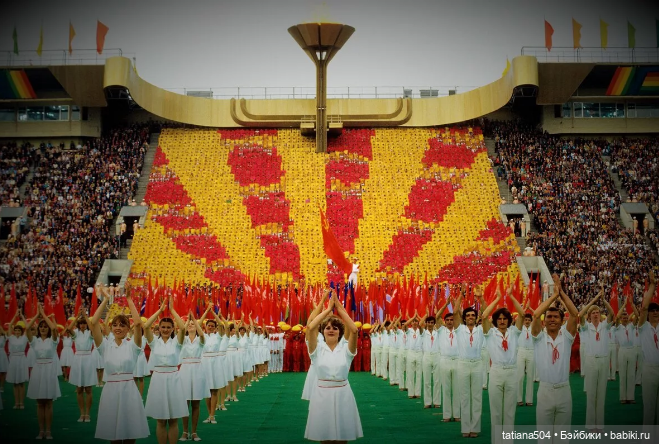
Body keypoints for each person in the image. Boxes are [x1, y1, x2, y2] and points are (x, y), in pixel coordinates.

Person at [91, 288, 149, 443]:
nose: (118, 328)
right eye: (115, 325)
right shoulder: (105, 346)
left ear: (127, 329)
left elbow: (138, 324)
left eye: (122, 325)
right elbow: (94, 322)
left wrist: (129, 299)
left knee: (130, 434)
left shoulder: (133, 346)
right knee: (113, 435)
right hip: (110, 391)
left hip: (129, 390)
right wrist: (105, 299)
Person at [304, 291, 363, 442]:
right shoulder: (316, 350)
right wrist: (328, 310)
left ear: (340, 332)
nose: (331, 330)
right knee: (325, 437)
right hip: (322, 394)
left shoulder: (346, 350)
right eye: (327, 328)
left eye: (335, 328)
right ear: (322, 331)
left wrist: (340, 309)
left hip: (343, 394)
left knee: (343, 437)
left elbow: (355, 330)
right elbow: (310, 328)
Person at [531, 274, 579, 442]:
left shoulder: (566, 336)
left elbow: (575, 314)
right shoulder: (538, 337)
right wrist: (553, 296)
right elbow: (536, 315)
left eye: (555, 317)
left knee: (562, 438)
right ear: (545, 322)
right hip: (545, 391)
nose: (552, 319)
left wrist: (561, 293)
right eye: (549, 317)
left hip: (564, 391)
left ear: (561, 321)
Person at [143, 296, 188, 444]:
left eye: (168, 327)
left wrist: (172, 310)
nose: (166, 329)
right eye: (163, 327)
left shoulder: (177, 342)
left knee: (174, 419)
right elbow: (146, 326)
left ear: (172, 329)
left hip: (174, 379)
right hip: (158, 379)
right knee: (161, 420)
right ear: (159, 328)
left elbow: (183, 328)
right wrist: (160, 310)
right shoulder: (154, 343)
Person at [483, 285, 524, 444]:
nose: (501, 321)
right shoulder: (490, 333)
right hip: (497, 372)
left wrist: (511, 297)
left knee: (509, 411)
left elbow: (522, 314)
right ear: (495, 321)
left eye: (504, 319)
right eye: (499, 319)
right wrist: (498, 299)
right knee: (496, 412)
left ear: (509, 320)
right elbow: (484, 316)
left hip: (512, 372)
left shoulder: (514, 332)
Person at [578, 287, 614, 432]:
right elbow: (580, 315)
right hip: (591, 361)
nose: (595, 314)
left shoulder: (605, 326)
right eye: (593, 312)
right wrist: (593, 301)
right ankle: (590, 424)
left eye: (597, 312)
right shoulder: (586, 327)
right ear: (589, 315)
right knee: (591, 394)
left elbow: (612, 313)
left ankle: (599, 424)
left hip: (604, 360)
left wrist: (603, 300)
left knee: (601, 393)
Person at [173, 305, 209, 442]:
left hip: (198, 370)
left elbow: (202, 335)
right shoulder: (182, 340)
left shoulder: (200, 341)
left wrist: (194, 319)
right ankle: (185, 431)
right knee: (185, 402)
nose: (191, 326)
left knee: (195, 404)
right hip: (185, 371)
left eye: (193, 324)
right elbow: (181, 331)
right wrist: (187, 322)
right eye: (189, 324)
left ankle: (194, 432)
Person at [24, 304, 61, 440]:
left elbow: (54, 328)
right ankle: (41, 431)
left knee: (49, 402)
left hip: (49, 370)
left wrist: (44, 315)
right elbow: (27, 328)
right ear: (38, 329)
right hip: (38, 370)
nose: (44, 328)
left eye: (45, 326)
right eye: (41, 326)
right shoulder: (35, 341)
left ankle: (49, 431)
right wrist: (37, 316)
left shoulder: (53, 341)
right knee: (40, 403)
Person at [67, 307, 98, 422]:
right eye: (81, 324)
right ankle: (82, 413)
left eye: (84, 323)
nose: (83, 325)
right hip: (77, 359)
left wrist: (85, 316)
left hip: (88, 359)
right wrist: (77, 317)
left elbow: (92, 327)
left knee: (88, 389)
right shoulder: (76, 333)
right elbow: (68, 329)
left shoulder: (90, 334)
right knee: (79, 389)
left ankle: (88, 413)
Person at [637, 271, 658, 426]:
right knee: (649, 407)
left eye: (657, 310)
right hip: (649, 369)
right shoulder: (643, 327)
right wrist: (652, 285)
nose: (655, 312)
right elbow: (643, 308)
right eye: (653, 311)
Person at [613, 300, 637, 404]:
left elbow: (637, 314)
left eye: (626, 317)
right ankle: (623, 397)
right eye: (624, 317)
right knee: (623, 374)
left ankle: (630, 397)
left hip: (631, 350)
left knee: (631, 374)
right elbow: (617, 317)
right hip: (622, 350)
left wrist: (631, 304)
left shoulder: (631, 326)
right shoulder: (618, 327)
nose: (625, 318)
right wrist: (623, 305)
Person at [6, 314, 29, 409]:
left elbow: (27, 327)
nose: (17, 332)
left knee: (21, 383)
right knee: (15, 383)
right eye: (15, 330)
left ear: (21, 331)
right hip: (14, 360)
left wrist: (22, 317)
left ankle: (22, 403)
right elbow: (9, 326)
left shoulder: (24, 338)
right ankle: (16, 403)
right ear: (14, 331)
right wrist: (15, 315)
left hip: (22, 359)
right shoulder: (11, 338)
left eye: (19, 330)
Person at [517, 312, 535, 406]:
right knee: (519, 376)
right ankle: (519, 399)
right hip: (521, 351)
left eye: (529, 320)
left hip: (531, 351)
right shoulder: (519, 328)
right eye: (526, 320)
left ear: (531, 321)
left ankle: (529, 400)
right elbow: (518, 318)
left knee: (530, 376)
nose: (527, 321)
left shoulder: (534, 329)